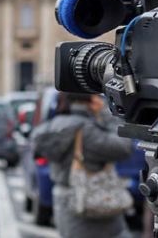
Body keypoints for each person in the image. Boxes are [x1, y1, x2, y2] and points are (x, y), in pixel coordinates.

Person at [32, 92, 133, 238]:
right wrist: (107, 113)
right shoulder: (86, 129)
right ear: (92, 99)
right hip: (93, 202)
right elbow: (123, 147)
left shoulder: (53, 126)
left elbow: (37, 147)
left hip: (64, 201)